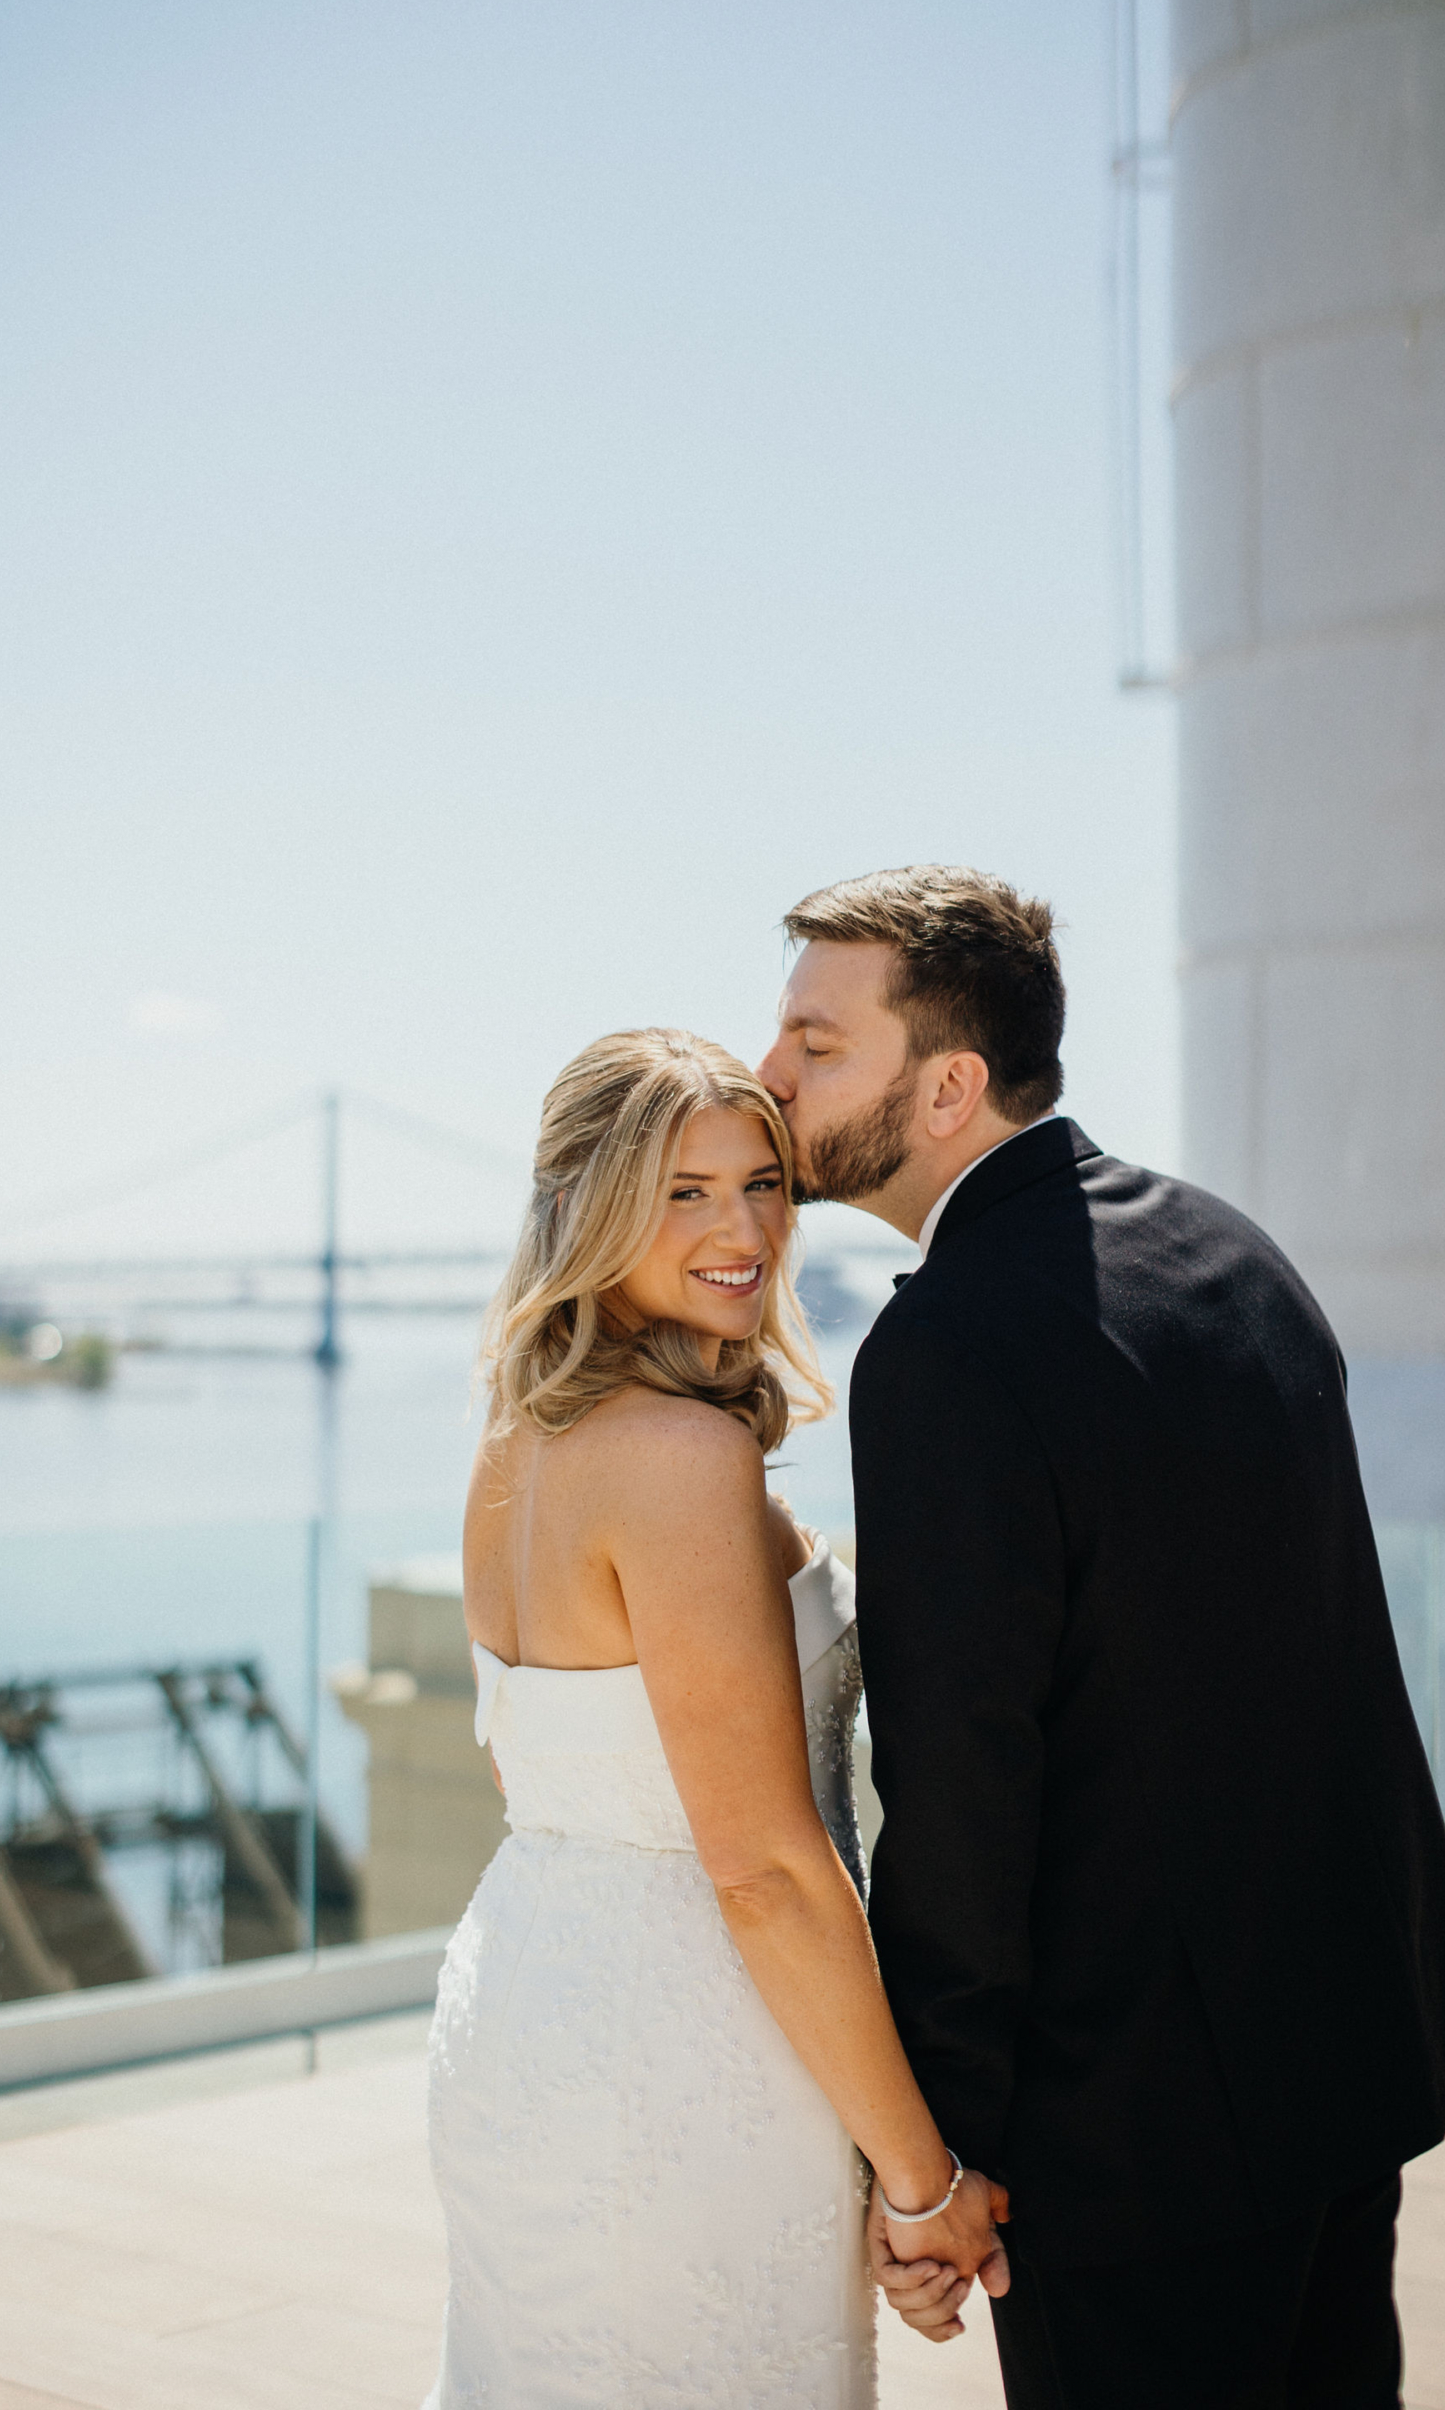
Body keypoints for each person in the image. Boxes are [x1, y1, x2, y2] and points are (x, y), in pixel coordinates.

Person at [758, 863, 1445, 2410]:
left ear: (948, 1083)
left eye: (818, 1043)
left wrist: (937, 2159)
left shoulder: (947, 1348)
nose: (771, 1077)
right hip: (1345, 2050)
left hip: (1136, 2136)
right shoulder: (1230, 1250)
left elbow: (965, 1778)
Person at [423, 1027, 1007, 2409]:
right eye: (684, 1191)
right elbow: (764, 1869)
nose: (742, 1228)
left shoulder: (519, 1441)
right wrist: (922, 2185)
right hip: (680, 2052)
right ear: (586, 1204)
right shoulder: (683, 1457)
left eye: (761, 1185)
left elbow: (546, 1764)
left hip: (524, 2009)